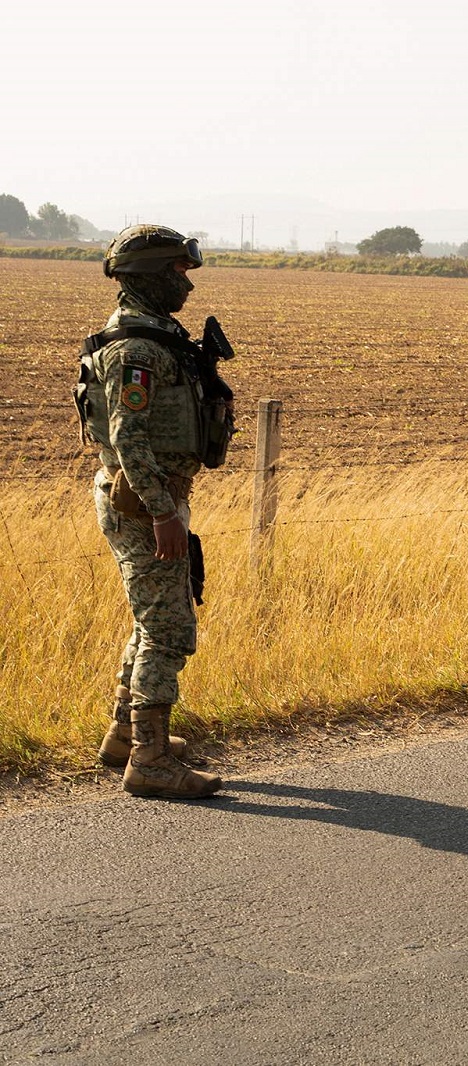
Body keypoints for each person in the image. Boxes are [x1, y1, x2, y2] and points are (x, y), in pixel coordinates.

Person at [80, 225, 229, 800]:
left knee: (151, 621)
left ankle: (126, 736)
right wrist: (163, 513)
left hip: (150, 498)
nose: (186, 285)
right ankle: (150, 760)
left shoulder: (154, 336)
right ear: (149, 276)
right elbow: (128, 438)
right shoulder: (137, 351)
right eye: (178, 272)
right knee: (169, 629)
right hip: (144, 503)